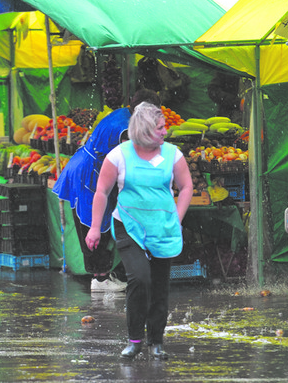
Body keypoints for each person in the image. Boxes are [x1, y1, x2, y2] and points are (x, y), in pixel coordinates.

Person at [86, 102, 193, 360]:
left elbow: (186, 186)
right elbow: (102, 191)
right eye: (160, 128)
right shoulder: (119, 156)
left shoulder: (173, 155)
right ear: (145, 130)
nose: (165, 132)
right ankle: (134, 339)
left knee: (159, 285)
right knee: (140, 278)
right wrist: (95, 228)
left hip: (162, 227)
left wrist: (177, 218)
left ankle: (156, 341)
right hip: (128, 225)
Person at [52, 89, 162, 289]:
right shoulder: (125, 130)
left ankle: (104, 276)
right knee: (95, 223)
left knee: (100, 222)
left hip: (89, 166)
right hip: (90, 173)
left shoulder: (126, 114)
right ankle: (101, 279)